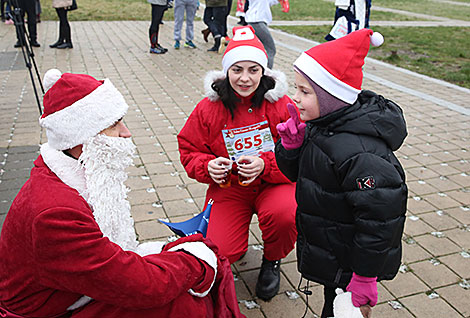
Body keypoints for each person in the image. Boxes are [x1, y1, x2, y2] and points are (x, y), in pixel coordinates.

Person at [0, 69, 245, 318]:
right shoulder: (56, 214)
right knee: (181, 304)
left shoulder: (73, 172)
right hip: (50, 311)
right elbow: (143, 286)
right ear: (81, 138)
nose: (126, 132)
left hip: (66, 292)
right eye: (114, 125)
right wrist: (196, 261)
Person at [275, 29, 408, 318]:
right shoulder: (322, 124)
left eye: (304, 91)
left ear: (333, 96)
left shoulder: (362, 155)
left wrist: (365, 276)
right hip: (333, 250)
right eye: (296, 88)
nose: (294, 98)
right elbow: (296, 175)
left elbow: (380, 221)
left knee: (348, 310)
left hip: (353, 263)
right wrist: (291, 146)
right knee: (331, 303)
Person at [178, 25, 297, 302]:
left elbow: (299, 153)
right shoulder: (208, 107)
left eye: (253, 70)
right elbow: (189, 149)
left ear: (264, 72)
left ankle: (272, 260)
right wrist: (207, 166)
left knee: (285, 214)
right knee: (220, 250)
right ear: (226, 71)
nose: (245, 78)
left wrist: (266, 165)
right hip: (230, 187)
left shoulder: (281, 105)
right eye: (237, 70)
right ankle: (235, 246)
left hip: (274, 183)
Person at [245, 0, 279, 69]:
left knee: (256, 49)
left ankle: (256, 70)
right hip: (257, 21)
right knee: (270, 50)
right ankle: (267, 73)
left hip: (255, 20)